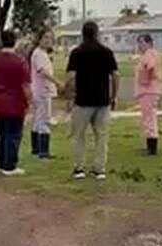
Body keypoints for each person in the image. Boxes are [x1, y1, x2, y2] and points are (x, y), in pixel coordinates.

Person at [66, 20, 119, 180]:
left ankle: (79, 168)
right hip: (102, 100)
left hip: (82, 101)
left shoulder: (77, 52)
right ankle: (99, 169)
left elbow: (71, 77)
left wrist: (70, 96)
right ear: (97, 34)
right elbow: (116, 75)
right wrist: (114, 96)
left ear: (82, 34)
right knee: (101, 136)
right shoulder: (106, 52)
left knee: (78, 136)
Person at [0, 30, 30, 175]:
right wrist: (30, 101)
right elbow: (25, 85)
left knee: (2, 131)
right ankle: (10, 165)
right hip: (15, 101)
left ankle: (0, 162)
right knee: (13, 133)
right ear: (15, 41)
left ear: (1, 41)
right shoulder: (20, 61)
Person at [29, 27, 59, 159]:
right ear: (39, 39)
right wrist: (57, 82)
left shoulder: (41, 53)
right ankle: (43, 151)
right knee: (44, 119)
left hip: (39, 90)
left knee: (37, 119)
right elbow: (43, 72)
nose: (48, 40)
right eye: (45, 37)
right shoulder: (39, 54)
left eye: (50, 38)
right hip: (42, 91)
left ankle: (36, 149)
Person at [135, 33, 161, 155]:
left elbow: (150, 67)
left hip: (148, 91)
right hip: (151, 90)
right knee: (149, 117)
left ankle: (152, 148)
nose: (140, 45)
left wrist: (144, 79)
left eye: (142, 42)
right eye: (139, 42)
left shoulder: (149, 54)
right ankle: (150, 145)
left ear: (149, 43)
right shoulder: (152, 54)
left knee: (149, 118)